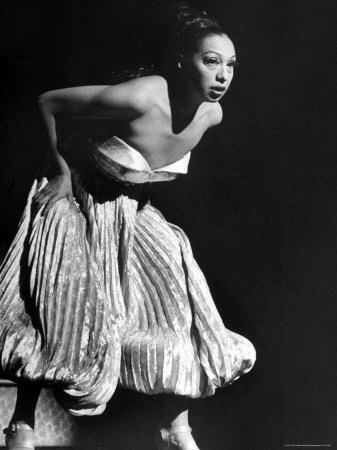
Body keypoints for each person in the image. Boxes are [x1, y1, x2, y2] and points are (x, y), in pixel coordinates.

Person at [0, 4, 256, 450]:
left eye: (230, 64)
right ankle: (20, 425)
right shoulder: (140, 97)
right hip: (79, 196)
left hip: (131, 210)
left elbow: (144, 169)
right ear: (182, 61)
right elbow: (49, 103)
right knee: (65, 303)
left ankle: (176, 429)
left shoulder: (211, 116)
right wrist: (59, 172)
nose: (223, 75)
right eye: (210, 61)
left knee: (183, 294)